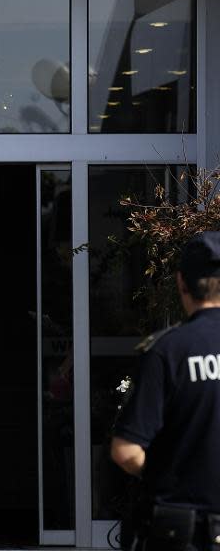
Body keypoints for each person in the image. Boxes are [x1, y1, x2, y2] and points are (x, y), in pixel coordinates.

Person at [111, 230, 220, 551]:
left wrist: (170, 474)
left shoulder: (167, 351)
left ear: (181, 282)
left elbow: (126, 451)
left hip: (181, 531)